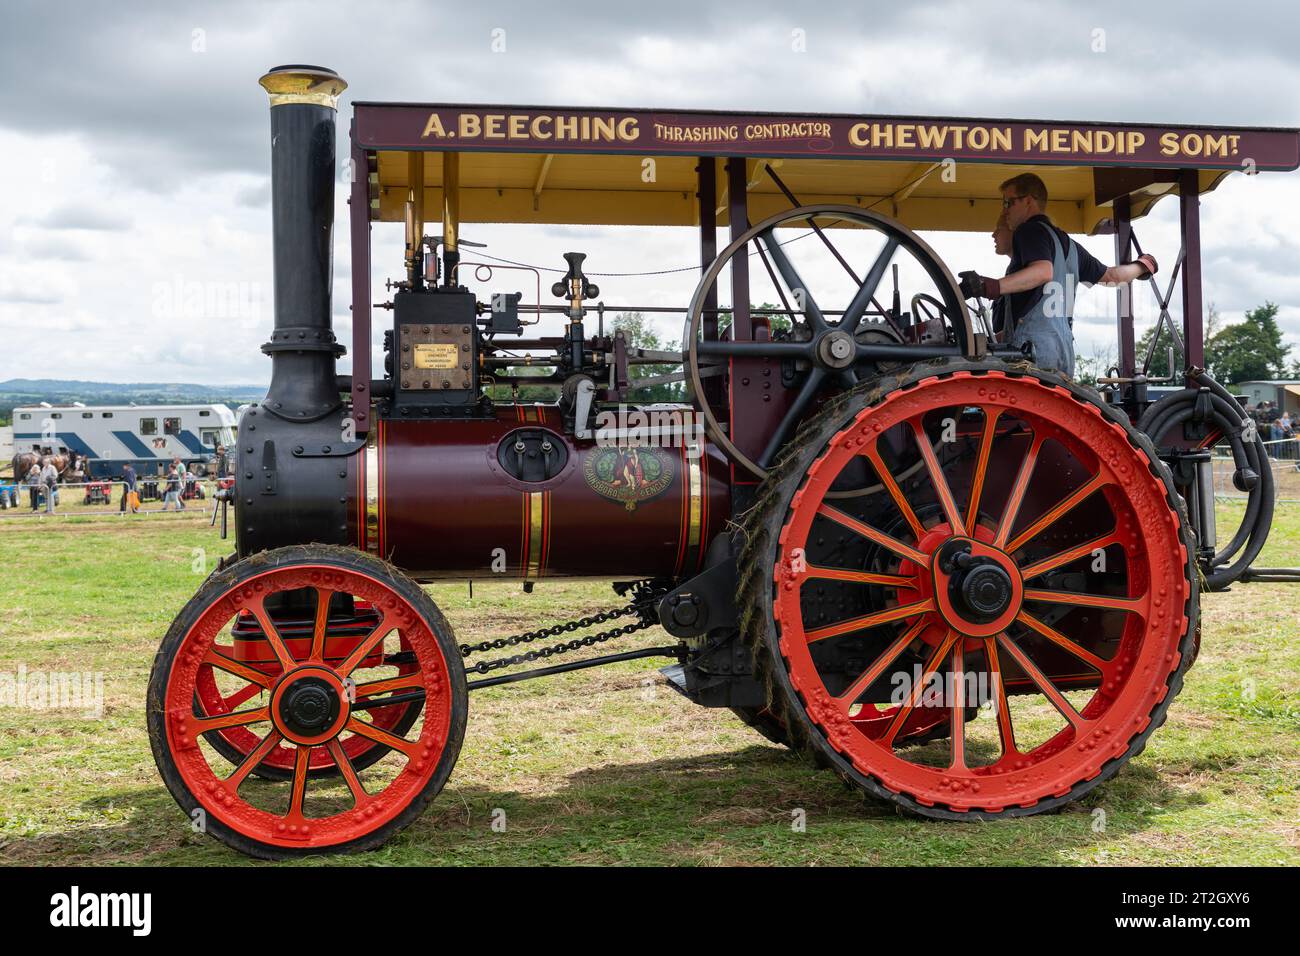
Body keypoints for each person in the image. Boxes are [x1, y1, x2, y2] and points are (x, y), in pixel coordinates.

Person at [961, 173, 1159, 377]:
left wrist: (990, 286)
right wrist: (1143, 265)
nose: (1005, 210)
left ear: (1028, 201)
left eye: (1008, 203)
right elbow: (1113, 277)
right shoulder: (1069, 245)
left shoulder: (1028, 231)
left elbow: (1043, 271)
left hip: (1032, 353)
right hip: (1063, 352)